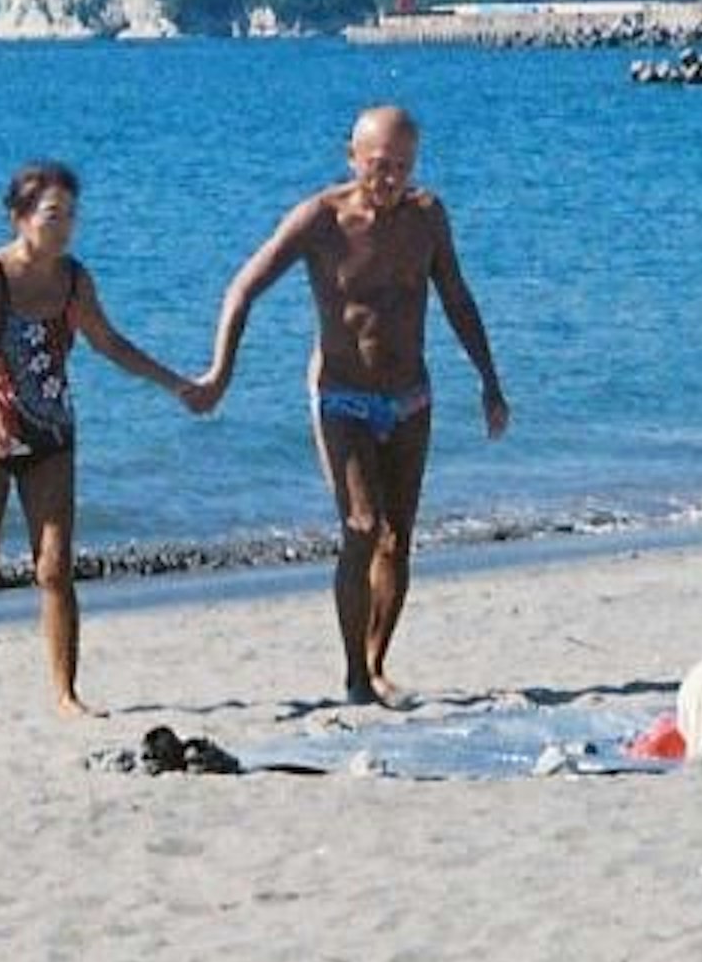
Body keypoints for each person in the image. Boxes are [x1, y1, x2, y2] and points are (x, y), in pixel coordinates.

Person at [195, 104, 508, 705]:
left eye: (401, 166)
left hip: (412, 395)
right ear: (351, 158)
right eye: (377, 165)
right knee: (362, 526)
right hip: (342, 395)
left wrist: (489, 382)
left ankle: (376, 659)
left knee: (398, 539)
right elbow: (243, 290)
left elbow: (457, 299)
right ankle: (354, 677)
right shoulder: (321, 219)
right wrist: (220, 372)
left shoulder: (428, 216)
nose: (389, 178)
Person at [0, 159, 209, 718]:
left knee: (55, 567)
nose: (64, 227)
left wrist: (177, 384)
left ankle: (65, 694)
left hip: (52, 433)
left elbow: (110, 343)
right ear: (20, 217)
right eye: (52, 215)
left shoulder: (74, 280)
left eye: (71, 216)